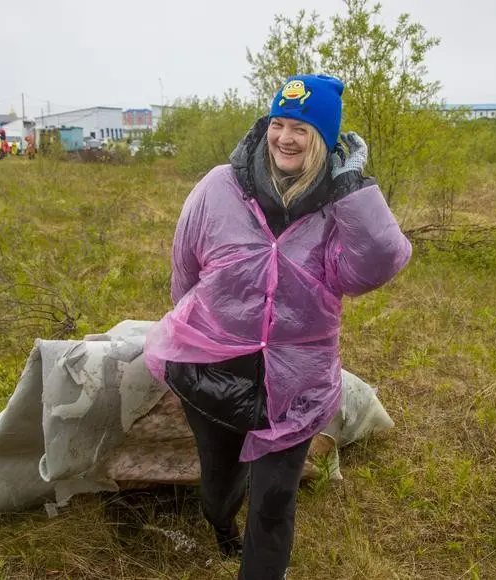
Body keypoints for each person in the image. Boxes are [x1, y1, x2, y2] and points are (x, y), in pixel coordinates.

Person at [143, 75, 412, 579]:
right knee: (220, 484)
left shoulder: (339, 207)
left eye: (304, 129)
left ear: (326, 141)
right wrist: (204, 331)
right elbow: (185, 271)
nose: (286, 137)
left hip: (296, 382)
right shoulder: (217, 188)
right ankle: (221, 526)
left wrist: (355, 189)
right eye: (279, 124)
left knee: (273, 503)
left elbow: (377, 265)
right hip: (214, 367)